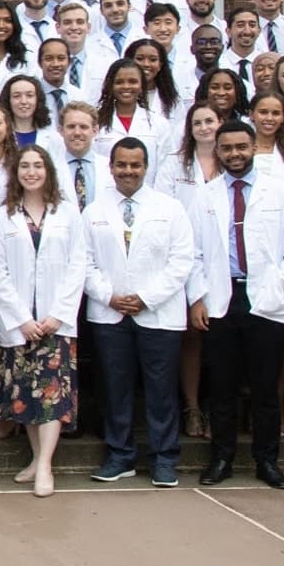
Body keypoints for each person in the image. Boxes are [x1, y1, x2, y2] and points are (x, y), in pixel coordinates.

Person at [190, 118, 284, 488]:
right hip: (221, 298)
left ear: (254, 146)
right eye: (226, 148)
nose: (234, 154)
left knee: (266, 388)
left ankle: (267, 460)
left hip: (266, 299)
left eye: (241, 147)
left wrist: (279, 283)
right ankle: (222, 458)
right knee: (222, 387)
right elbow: (192, 253)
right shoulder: (205, 196)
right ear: (218, 151)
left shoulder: (282, 193)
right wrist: (198, 297)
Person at [83, 137, 195, 486]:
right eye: (121, 164)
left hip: (158, 314)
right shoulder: (94, 210)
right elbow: (83, 262)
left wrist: (146, 297)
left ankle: (164, 459)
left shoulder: (170, 208)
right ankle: (120, 456)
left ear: (146, 167)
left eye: (135, 165)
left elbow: (181, 262)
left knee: (161, 389)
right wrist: (109, 296)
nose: (128, 171)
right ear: (111, 167)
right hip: (110, 313)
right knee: (116, 388)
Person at [0, 142, 85, 497]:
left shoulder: (68, 214)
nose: (31, 172)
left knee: (51, 393)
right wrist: (20, 318)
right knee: (26, 395)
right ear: (16, 174)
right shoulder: (2, 216)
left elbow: (78, 265)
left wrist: (58, 315)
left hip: (54, 322)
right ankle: (35, 458)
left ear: (48, 172)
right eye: (25, 166)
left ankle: (45, 465)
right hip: (19, 324)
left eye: (38, 166)